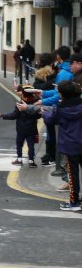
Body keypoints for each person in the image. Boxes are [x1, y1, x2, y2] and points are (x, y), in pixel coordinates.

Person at [43, 80, 82, 211]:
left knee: (73, 174)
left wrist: (44, 113)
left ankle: (74, 201)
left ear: (62, 94)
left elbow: (50, 120)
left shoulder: (59, 109)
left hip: (70, 146)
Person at [0, 85, 41, 168]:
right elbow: (39, 116)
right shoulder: (36, 103)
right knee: (31, 145)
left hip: (21, 128)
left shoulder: (20, 104)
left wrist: (2, 115)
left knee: (19, 143)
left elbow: (14, 115)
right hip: (32, 127)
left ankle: (19, 159)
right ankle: (31, 161)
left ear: (23, 94)